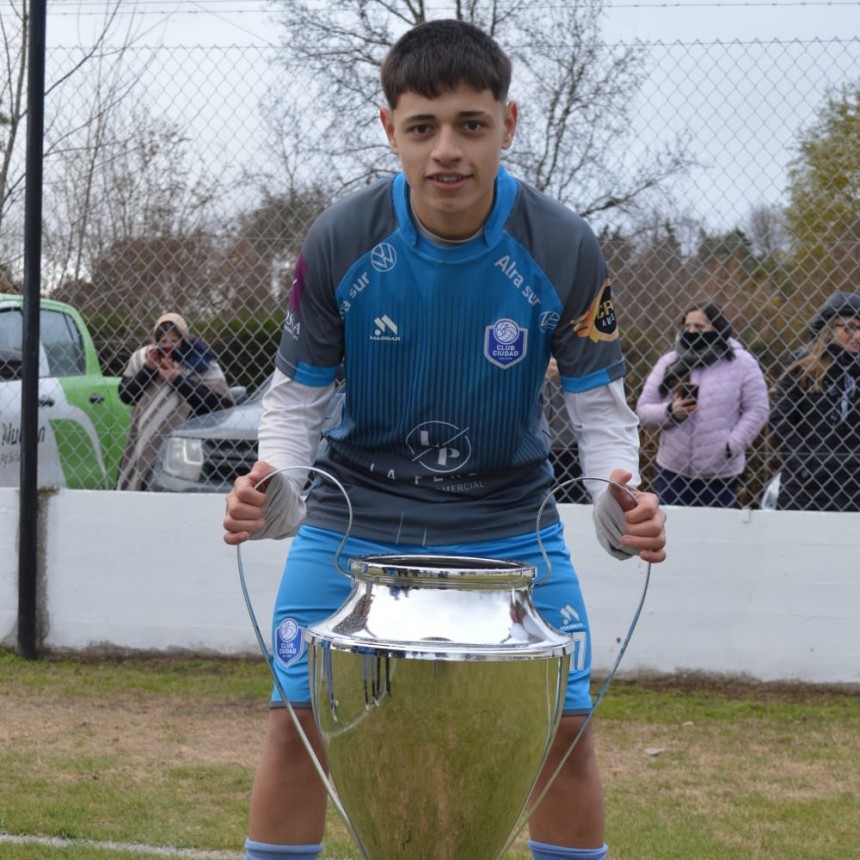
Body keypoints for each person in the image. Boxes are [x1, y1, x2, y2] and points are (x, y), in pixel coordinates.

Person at [223, 20, 666, 860]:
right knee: (297, 723)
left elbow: (601, 409)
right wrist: (271, 485)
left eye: (471, 124)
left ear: (509, 123)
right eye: (423, 127)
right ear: (390, 129)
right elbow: (296, 403)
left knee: (565, 734)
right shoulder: (341, 239)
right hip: (354, 520)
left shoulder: (564, 244)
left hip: (509, 523)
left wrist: (621, 498)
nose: (447, 151)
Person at [636, 302, 770, 507]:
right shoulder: (670, 362)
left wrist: (731, 446)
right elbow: (644, 408)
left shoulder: (742, 363)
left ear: (718, 328)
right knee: (672, 525)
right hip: (672, 471)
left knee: (716, 526)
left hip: (720, 474)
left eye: (699, 327)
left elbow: (758, 409)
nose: (691, 332)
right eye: (687, 326)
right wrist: (671, 412)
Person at [116, 312, 234, 490]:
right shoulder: (142, 358)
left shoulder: (200, 362)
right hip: (142, 437)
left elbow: (218, 403)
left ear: (183, 339)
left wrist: (178, 380)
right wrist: (148, 370)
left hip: (184, 441)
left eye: (174, 340)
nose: (168, 346)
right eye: (163, 341)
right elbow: (126, 395)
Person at [770, 291, 860, 512]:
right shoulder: (803, 364)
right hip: (805, 485)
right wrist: (804, 463)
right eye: (849, 328)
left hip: (854, 485)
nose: (857, 335)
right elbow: (781, 418)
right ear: (829, 328)